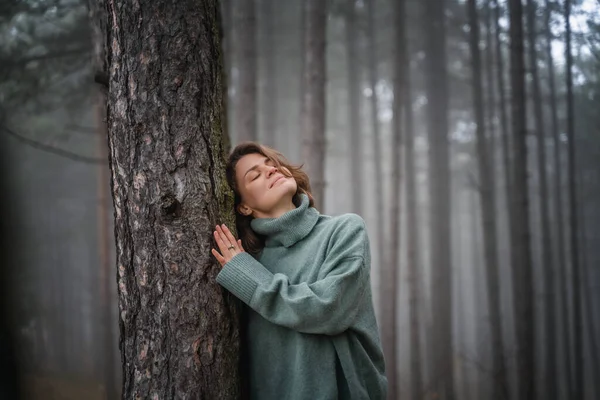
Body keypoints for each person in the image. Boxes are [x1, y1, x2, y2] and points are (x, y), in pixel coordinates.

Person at [212, 142, 387, 399]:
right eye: (255, 175)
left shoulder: (344, 231)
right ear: (244, 207)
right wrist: (245, 271)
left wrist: (248, 278)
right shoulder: (246, 262)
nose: (271, 171)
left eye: (272, 165)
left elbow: (330, 309)